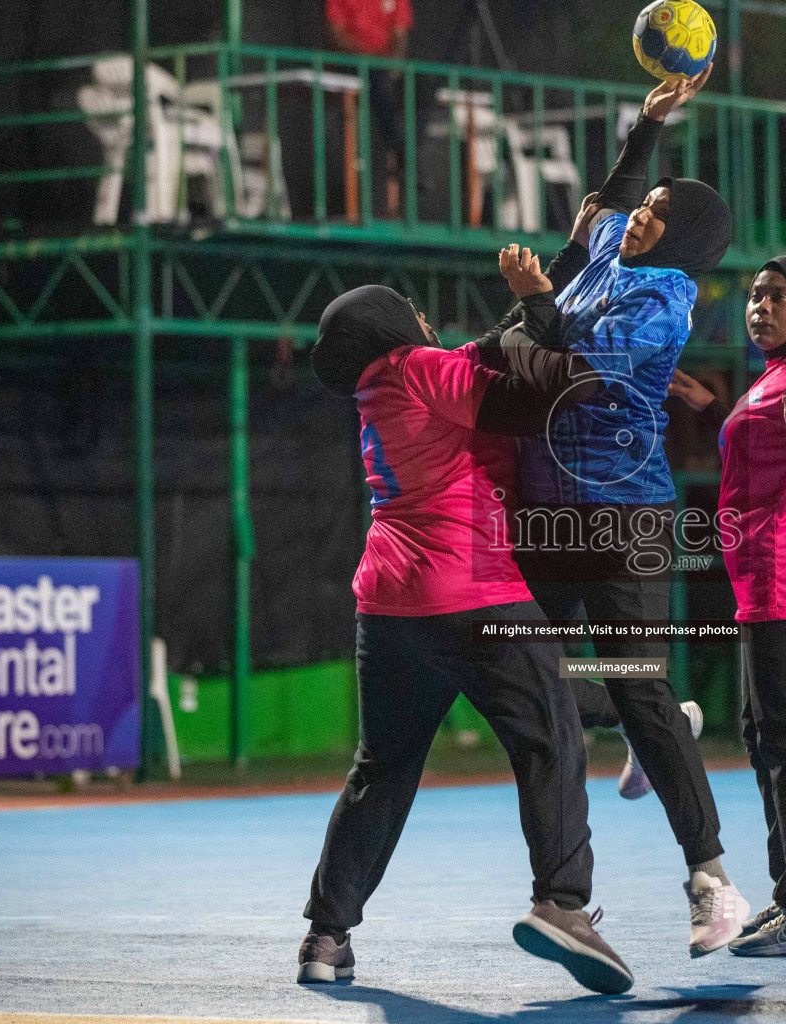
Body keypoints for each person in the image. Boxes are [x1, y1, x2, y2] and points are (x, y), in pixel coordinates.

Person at [297, 247, 636, 994]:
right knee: (550, 735)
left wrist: (536, 299)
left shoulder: (375, 391)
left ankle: (326, 935)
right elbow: (525, 390)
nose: (423, 318)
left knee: (381, 770)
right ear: (393, 328)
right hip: (468, 587)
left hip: (386, 605)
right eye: (409, 308)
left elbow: (487, 351)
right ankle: (564, 904)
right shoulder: (417, 367)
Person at [508, 71, 751, 957]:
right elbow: (605, 203)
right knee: (514, 678)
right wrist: (645, 126)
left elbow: (583, 350)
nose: (641, 217)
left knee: (638, 684)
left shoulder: (665, 299)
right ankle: (638, 731)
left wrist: (538, 299)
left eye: (657, 213)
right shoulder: (614, 253)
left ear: (684, 239)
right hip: (552, 512)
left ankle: (715, 883)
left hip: (625, 520)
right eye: (647, 207)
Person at [668, 255, 786, 957]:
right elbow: (761, 448)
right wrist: (710, 407)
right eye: (755, 296)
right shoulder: (774, 379)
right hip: (760, 578)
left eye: (777, 297)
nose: (762, 307)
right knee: (764, 737)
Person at [326, 0, 412, 217]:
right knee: (379, 90)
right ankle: (401, 149)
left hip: (384, 73)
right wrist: (364, 58)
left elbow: (400, 32)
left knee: (415, 91)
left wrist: (395, 65)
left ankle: (404, 151)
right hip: (350, 67)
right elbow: (336, 32)